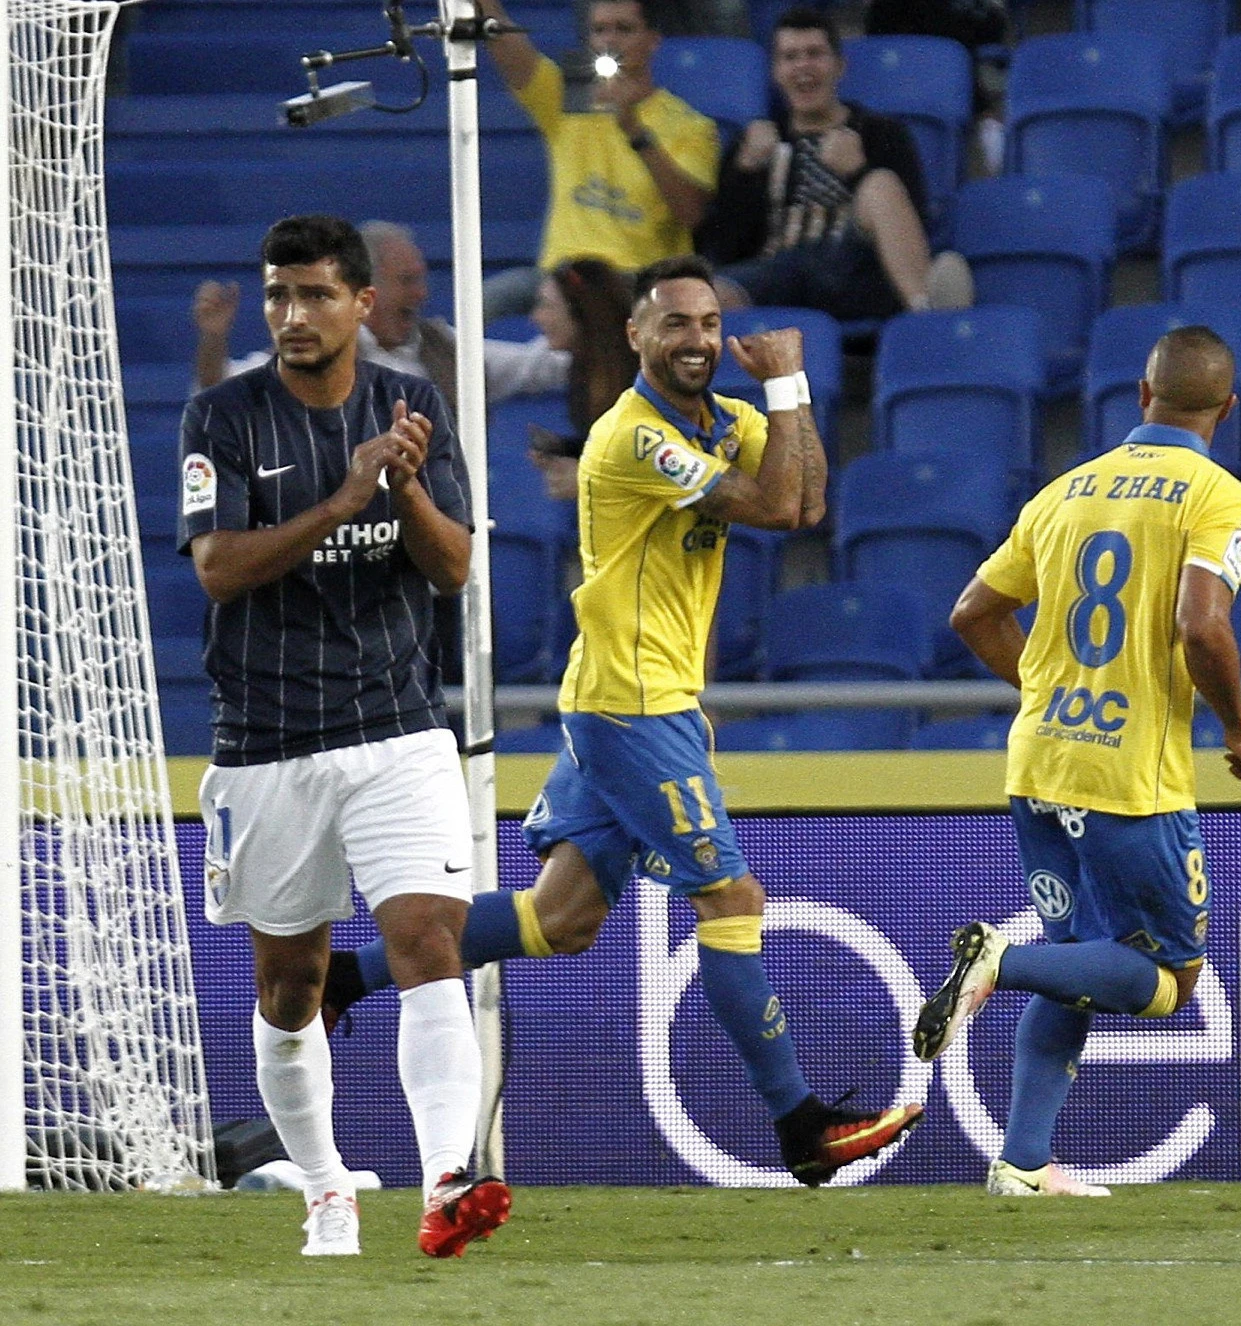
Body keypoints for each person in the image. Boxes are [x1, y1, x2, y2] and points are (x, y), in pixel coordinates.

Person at [322, 256, 923, 1185]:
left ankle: (343, 979)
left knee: (560, 920)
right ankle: (799, 1124)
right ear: (638, 337)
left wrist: (783, 398)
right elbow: (771, 503)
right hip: (632, 705)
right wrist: (792, 384)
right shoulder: (635, 438)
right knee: (731, 900)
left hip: (637, 699)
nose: (695, 339)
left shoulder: (723, 420)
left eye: (708, 323)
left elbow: (806, 501)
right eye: (674, 324)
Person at [179, 215, 508, 1258]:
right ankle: (326, 1188)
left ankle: (446, 1179)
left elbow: (454, 569)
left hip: (397, 729)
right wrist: (346, 497)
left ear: (363, 306)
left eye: (315, 295)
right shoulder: (222, 417)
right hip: (269, 736)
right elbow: (219, 568)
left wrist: (404, 484)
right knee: (293, 987)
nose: (290, 316)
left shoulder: (416, 408)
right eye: (278, 296)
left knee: (427, 943)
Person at [909, 326, 1241, 1198]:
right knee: (1169, 980)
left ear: (1141, 398)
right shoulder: (1222, 500)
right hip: (1129, 780)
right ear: (1227, 409)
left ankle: (1024, 1164)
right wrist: (1239, 728)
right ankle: (1000, 961)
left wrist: (1041, 688)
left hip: (1038, 766)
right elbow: (1200, 623)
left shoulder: (1062, 494)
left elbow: (972, 613)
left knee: (1082, 960)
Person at [699, 8, 970, 318]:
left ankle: (929, 316)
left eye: (815, 54)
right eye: (790, 57)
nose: (803, 66)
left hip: (856, 270)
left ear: (839, 66)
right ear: (775, 72)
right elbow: (725, 250)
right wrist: (744, 173)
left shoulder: (881, 133)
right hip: (776, 272)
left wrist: (858, 172)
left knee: (879, 184)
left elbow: (911, 222)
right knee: (708, 297)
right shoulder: (754, 142)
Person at [478, 0, 720, 319]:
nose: (610, 40)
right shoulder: (566, 99)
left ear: (653, 39)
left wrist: (634, 130)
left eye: (624, 29)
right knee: (480, 305)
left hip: (639, 277)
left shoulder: (689, 125)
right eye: (600, 30)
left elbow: (691, 213)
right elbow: (510, 50)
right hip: (562, 274)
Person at [192, 221, 571, 405]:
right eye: (407, 281)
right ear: (364, 291)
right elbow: (219, 390)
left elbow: (542, 366)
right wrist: (213, 337)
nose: (421, 293)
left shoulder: (449, 350)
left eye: (421, 280)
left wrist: (584, 324)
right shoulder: (313, 354)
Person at [523, 256, 639, 502]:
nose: (536, 317)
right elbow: (611, 449)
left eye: (547, 306)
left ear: (580, 313)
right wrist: (566, 449)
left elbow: (662, 462)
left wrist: (588, 480)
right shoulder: (584, 371)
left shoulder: (644, 376)